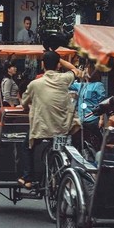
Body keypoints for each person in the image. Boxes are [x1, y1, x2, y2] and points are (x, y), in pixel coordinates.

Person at [18, 51, 82, 188]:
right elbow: (74, 70)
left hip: (43, 129)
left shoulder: (35, 84)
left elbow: (24, 103)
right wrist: (60, 60)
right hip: (63, 127)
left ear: (42, 64)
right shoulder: (65, 79)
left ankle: (27, 177)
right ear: (58, 66)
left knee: (26, 146)